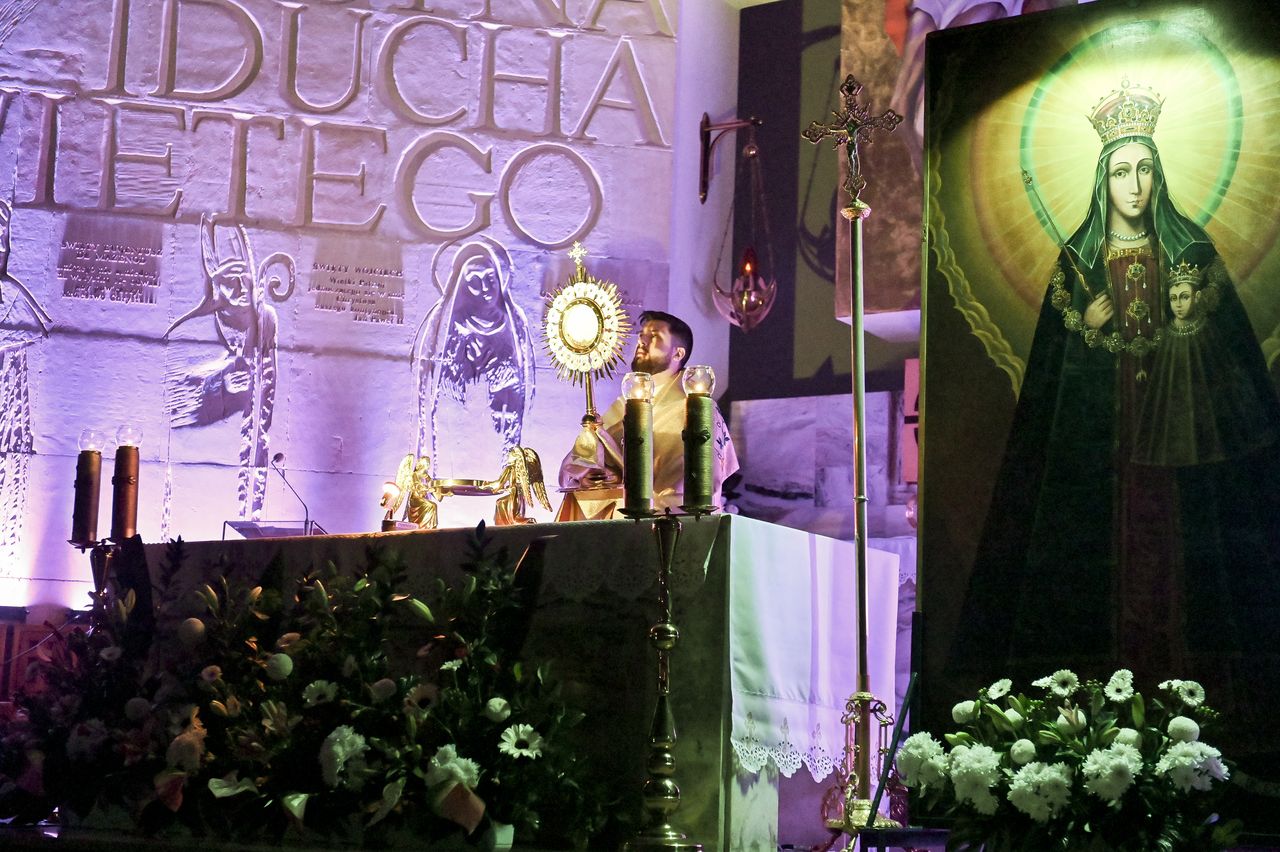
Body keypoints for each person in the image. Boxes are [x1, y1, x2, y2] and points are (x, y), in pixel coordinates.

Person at [954, 79, 1280, 724]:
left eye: (1145, 170)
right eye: (1121, 172)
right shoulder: (1077, 264)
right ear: (1103, 180)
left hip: (1184, 446)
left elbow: (1231, 367)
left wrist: (1187, 333)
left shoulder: (1192, 253)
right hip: (1102, 453)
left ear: (1159, 176)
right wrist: (1089, 330)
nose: (1135, 186)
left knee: (1198, 564)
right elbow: (1050, 390)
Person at [558, 310, 739, 519]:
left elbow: (703, 480)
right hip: (620, 520)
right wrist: (594, 476)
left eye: (654, 336)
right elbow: (584, 467)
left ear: (678, 354)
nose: (642, 341)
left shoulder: (696, 411)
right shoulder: (622, 407)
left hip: (673, 520)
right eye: (641, 335)